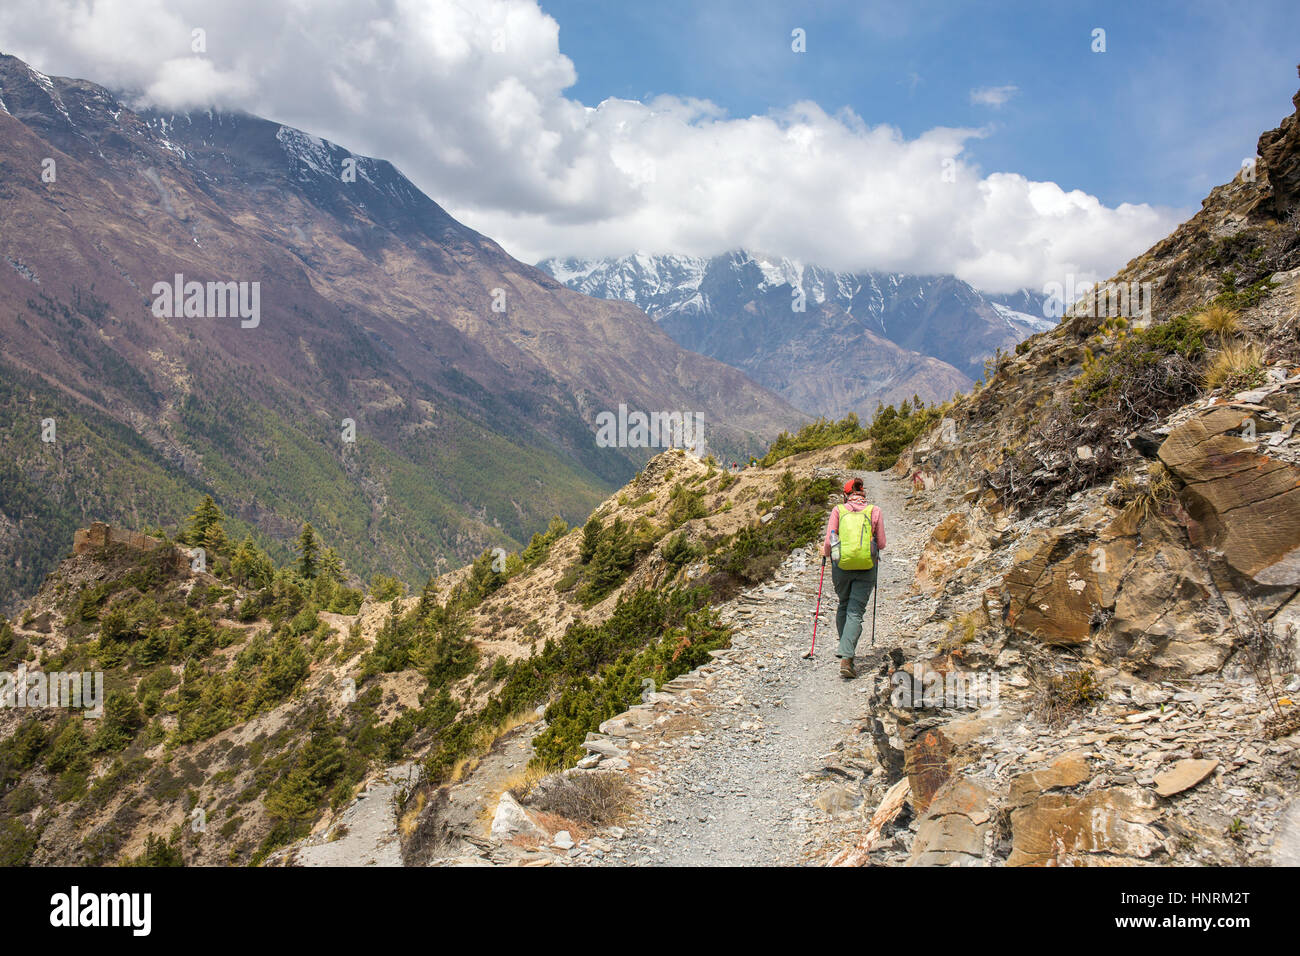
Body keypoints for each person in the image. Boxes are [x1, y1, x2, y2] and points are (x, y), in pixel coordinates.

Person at [820, 477, 885, 679]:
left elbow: (830, 540)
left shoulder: (838, 510)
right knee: (855, 610)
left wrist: (825, 556)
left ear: (846, 494)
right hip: (867, 566)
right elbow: (881, 543)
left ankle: (845, 649)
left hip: (841, 565)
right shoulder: (874, 511)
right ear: (863, 494)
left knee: (843, 604)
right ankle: (847, 657)